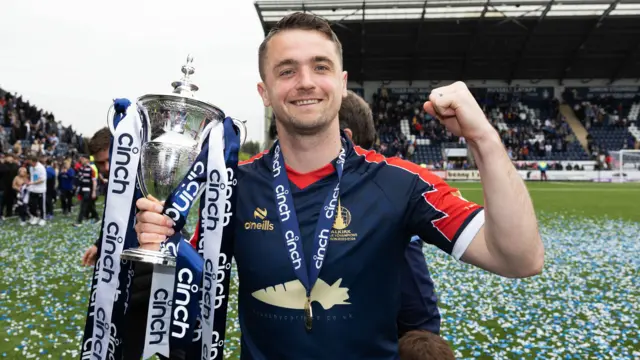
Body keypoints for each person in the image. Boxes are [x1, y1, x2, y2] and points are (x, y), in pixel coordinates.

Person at [134, 12, 543, 359]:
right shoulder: (232, 187)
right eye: (287, 70)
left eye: (321, 66)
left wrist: (483, 138)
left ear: (343, 82)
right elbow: (194, 276)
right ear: (265, 92)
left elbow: (520, 259)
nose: (306, 81)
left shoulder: (400, 182)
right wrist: (159, 243)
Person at [74, 157, 98, 226]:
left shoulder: (91, 169)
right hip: (82, 189)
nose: (81, 160)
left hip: (88, 190)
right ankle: (97, 217)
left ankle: (79, 221)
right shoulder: (81, 168)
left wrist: (94, 192)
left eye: (83, 159)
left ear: (87, 160)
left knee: (83, 205)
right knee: (90, 205)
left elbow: (94, 181)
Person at [27, 155, 47, 226]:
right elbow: (33, 177)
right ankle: (35, 217)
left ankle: (43, 218)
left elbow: (42, 179)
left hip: (41, 190)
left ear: (35, 161)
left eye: (30, 162)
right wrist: (29, 183)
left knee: (41, 206)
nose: (29, 163)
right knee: (32, 205)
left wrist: (32, 183)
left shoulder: (41, 168)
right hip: (32, 189)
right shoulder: (31, 168)